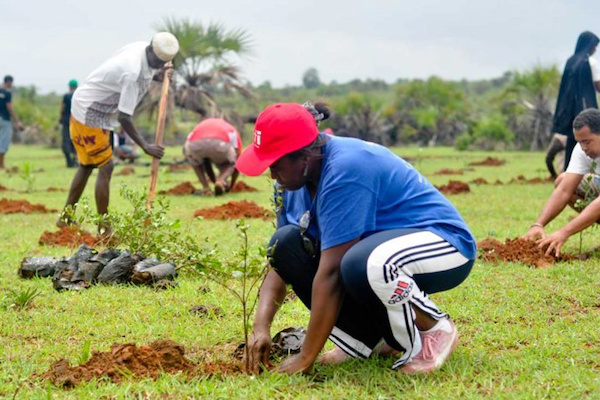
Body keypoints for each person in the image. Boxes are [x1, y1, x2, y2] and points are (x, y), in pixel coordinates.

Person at [237, 102, 476, 375]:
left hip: (444, 244)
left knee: (361, 264)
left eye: (276, 163)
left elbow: (331, 274)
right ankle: (371, 341)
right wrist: (260, 328)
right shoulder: (292, 185)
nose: (272, 175)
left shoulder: (346, 169)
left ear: (303, 156)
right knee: (287, 244)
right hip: (377, 254)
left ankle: (433, 328)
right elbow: (280, 263)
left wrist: (306, 357)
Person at [57, 32, 179, 231]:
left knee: (87, 165)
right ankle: (104, 227)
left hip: (87, 104)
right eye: (158, 63)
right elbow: (124, 117)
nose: (159, 67)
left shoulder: (141, 48)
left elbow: (140, 73)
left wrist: (160, 76)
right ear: (151, 51)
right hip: (91, 112)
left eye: (162, 64)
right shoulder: (133, 74)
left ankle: (66, 217)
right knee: (106, 166)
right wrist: (146, 146)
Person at [524, 108, 600, 256]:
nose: (583, 148)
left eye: (587, 142)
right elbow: (564, 190)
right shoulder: (582, 149)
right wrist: (538, 224)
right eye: (579, 142)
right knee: (562, 180)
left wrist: (564, 233)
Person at [552, 31, 600, 171]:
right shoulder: (590, 62)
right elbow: (598, 85)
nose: (594, 50)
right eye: (594, 46)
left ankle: (568, 171)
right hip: (586, 110)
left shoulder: (570, 61)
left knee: (573, 142)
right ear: (588, 45)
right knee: (589, 142)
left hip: (570, 112)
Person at [183, 118, 242, 196]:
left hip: (194, 144)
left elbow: (207, 164)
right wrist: (231, 186)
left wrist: (214, 181)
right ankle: (221, 180)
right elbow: (238, 162)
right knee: (231, 164)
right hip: (220, 144)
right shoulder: (231, 129)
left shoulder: (201, 125)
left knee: (195, 162)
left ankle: (206, 188)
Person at [0, 75, 25, 169]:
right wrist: (17, 122)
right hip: (4, 119)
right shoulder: (7, 94)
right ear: (9, 82)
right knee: (3, 142)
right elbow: (9, 108)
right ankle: (1, 165)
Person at [59, 79, 79, 168]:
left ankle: (68, 161)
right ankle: (75, 160)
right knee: (76, 140)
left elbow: (62, 108)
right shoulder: (79, 96)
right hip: (76, 121)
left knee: (66, 140)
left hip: (66, 121)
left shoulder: (66, 96)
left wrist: (60, 118)